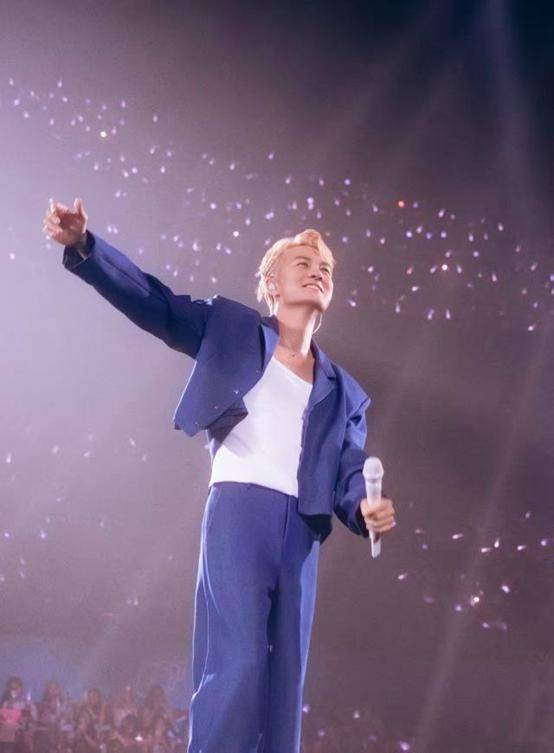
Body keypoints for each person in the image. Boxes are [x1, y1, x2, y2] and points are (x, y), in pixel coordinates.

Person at [42, 197, 397, 753]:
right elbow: (156, 303)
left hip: (302, 535)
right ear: (272, 283)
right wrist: (87, 248)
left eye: (326, 268)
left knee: (283, 681)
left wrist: (364, 507)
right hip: (239, 512)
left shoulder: (345, 392)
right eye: (304, 263)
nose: (318, 272)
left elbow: (349, 467)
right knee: (238, 663)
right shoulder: (230, 328)